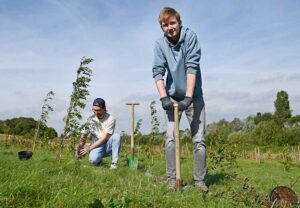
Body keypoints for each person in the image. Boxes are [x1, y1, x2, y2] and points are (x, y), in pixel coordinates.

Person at [152, 7, 208, 191]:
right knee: (170, 139)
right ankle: (171, 179)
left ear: (179, 22)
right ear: (162, 27)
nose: (169, 27)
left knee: (198, 140)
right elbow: (158, 72)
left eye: (172, 23)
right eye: (165, 25)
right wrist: (163, 98)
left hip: (195, 96)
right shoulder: (160, 45)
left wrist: (189, 97)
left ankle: (199, 181)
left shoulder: (190, 37)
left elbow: (192, 67)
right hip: (173, 98)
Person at [77, 98, 122, 170]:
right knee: (93, 160)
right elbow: (84, 136)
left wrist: (89, 148)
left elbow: (104, 138)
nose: (96, 113)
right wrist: (79, 150)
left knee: (117, 136)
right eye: (94, 110)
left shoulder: (110, 119)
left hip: (108, 145)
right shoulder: (90, 120)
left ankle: (114, 164)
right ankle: (99, 160)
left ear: (104, 109)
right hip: (96, 146)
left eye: (98, 110)